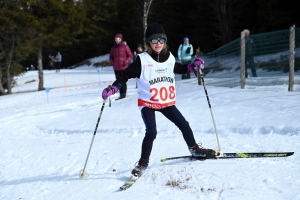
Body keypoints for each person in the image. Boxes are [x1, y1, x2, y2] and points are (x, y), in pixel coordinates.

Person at [102, 23, 216, 177]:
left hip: (165, 102)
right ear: (149, 43)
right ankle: (143, 161)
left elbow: (178, 68)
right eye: (154, 41)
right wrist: (114, 87)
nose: (158, 44)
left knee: (184, 124)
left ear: (165, 42)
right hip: (148, 103)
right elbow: (125, 74)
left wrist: (193, 67)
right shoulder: (142, 60)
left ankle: (194, 149)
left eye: (161, 40)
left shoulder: (169, 57)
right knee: (152, 132)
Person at [109, 33, 133, 100]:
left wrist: (126, 61)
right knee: (118, 81)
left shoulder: (125, 46)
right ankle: (121, 94)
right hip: (116, 68)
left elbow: (130, 55)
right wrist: (112, 62)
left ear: (121, 39)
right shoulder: (113, 48)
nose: (117, 40)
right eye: (116, 39)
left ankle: (123, 94)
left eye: (118, 39)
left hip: (124, 67)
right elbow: (111, 56)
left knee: (123, 81)